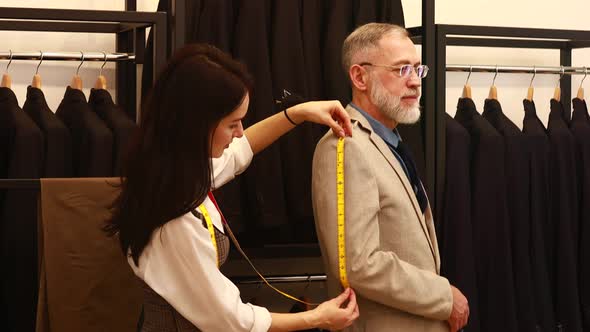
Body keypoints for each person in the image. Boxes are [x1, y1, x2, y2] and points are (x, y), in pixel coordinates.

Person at [105, 44, 359, 332]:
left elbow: (240, 151)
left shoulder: (171, 171)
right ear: (197, 126)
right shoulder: (174, 218)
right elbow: (231, 319)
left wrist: (298, 113)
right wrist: (318, 318)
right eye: (232, 124)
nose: (239, 132)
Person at [311, 23, 469, 332]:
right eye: (401, 70)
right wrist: (444, 297)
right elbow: (359, 265)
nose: (415, 83)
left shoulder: (386, 141)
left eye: (417, 70)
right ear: (360, 77)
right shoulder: (346, 146)